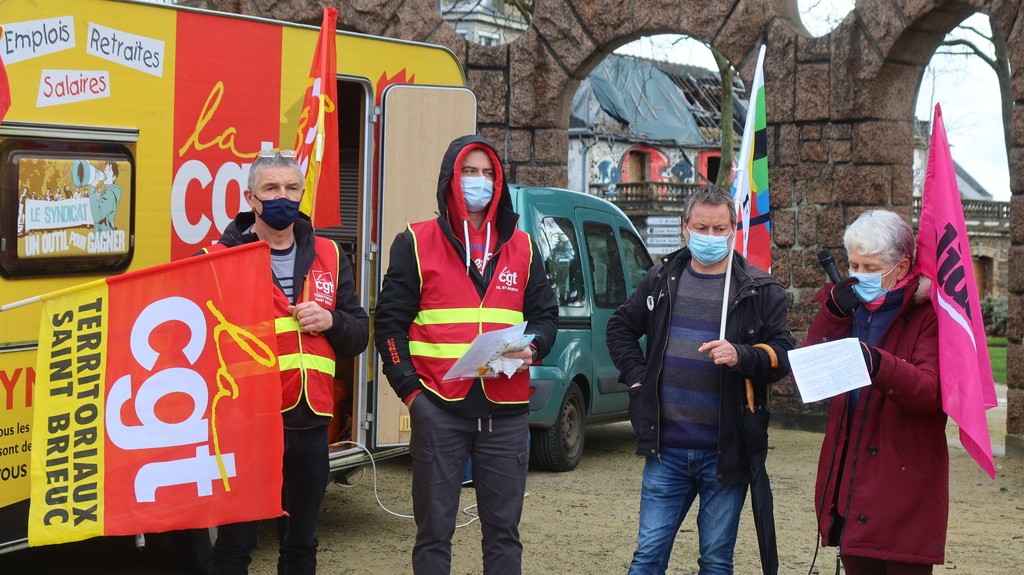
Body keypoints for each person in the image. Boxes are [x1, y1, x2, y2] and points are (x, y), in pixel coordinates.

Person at [375, 134, 558, 574]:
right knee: (434, 533)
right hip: (439, 409)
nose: (479, 181)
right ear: (450, 179)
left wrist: (533, 346)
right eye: (469, 172)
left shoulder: (524, 246)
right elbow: (389, 326)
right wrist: (412, 396)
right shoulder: (415, 241)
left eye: (489, 173)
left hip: (508, 413)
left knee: (503, 534)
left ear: (500, 182)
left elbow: (547, 317)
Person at [606, 184, 794, 575]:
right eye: (701, 228)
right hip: (666, 447)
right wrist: (638, 378)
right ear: (684, 228)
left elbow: (784, 356)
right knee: (647, 557)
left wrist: (742, 355)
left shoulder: (760, 289)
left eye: (719, 228)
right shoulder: (661, 278)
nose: (710, 237)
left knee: (715, 560)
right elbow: (620, 328)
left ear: (733, 228)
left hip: (726, 450)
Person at [202, 150, 369, 575]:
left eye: (292, 188)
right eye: (271, 188)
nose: (283, 197)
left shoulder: (330, 254)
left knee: (301, 545)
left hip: (310, 425)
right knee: (235, 545)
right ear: (251, 199)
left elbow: (359, 334)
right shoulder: (218, 259)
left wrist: (331, 320)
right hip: (246, 424)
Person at [805, 209, 945, 574]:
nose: (858, 275)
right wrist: (833, 313)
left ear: (900, 268)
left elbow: (931, 392)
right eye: (853, 264)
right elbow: (808, 370)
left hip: (903, 478)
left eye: (870, 267)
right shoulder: (848, 306)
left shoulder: (929, 313)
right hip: (850, 474)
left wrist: (877, 363)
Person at [88, 161, 122, 233]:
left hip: (104, 240)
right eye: (105, 170)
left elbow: (97, 216)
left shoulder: (110, 194)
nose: (105, 172)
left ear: (114, 177)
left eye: (109, 170)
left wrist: (93, 186)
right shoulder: (106, 192)